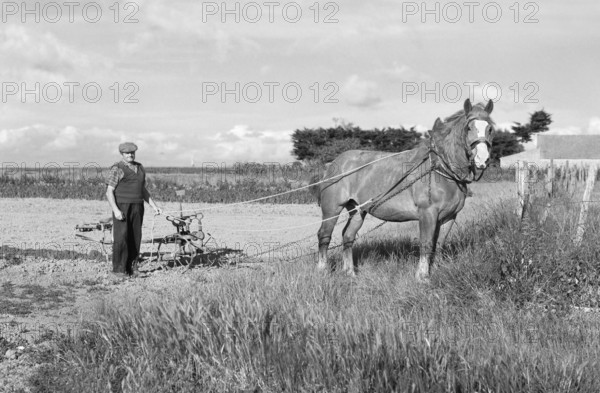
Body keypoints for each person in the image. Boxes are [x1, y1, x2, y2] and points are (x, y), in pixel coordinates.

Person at [106, 142, 162, 278]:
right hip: (122, 206)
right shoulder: (117, 169)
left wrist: (154, 206)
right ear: (122, 154)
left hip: (138, 206)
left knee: (135, 237)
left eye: (132, 153)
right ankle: (118, 270)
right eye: (127, 153)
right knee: (122, 237)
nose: (130, 155)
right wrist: (116, 210)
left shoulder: (140, 168)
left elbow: (143, 190)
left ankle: (132, 267)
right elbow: (109, 192)